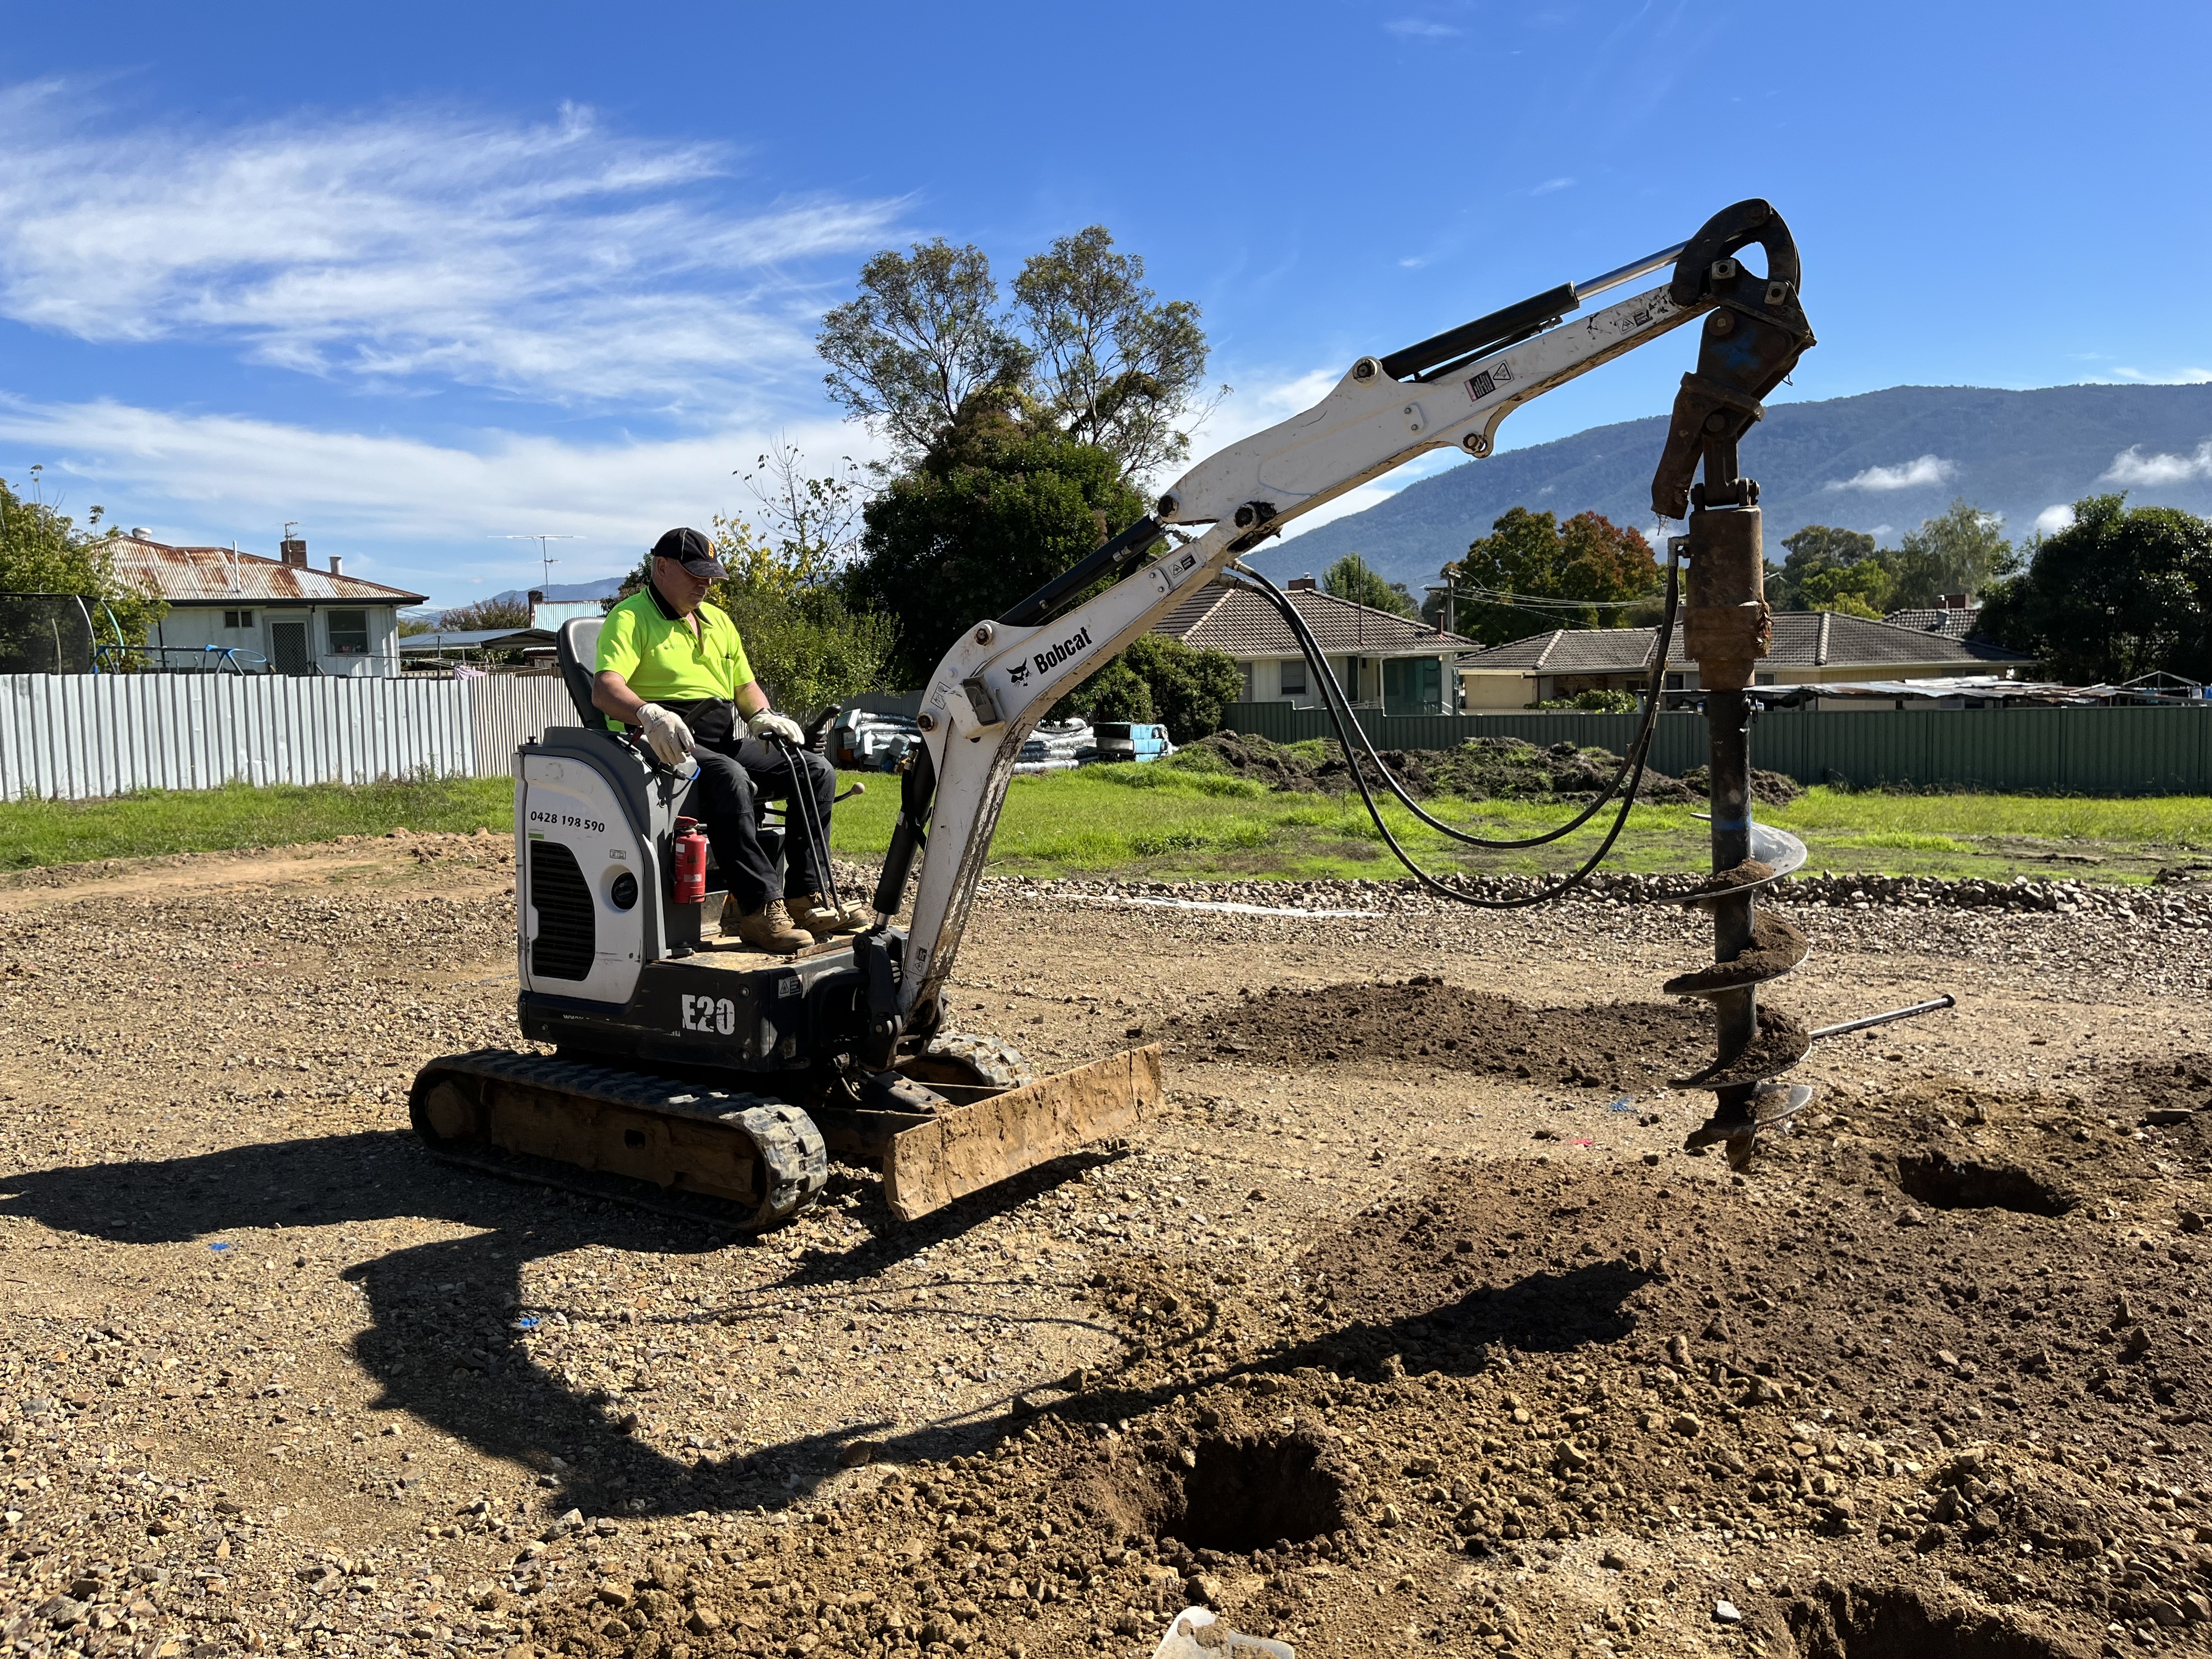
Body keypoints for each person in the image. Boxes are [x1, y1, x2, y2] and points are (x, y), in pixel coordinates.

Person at [592, 526, 868, 952]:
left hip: (717, 737)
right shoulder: (629, 617)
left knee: (815, 770)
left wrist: (762, 715)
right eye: (695, 575)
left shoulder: (718, 621)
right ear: (662, 568)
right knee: (729, 776)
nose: (705, 585)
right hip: (659, 743)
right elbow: (605, 689)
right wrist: (649, 714)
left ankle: (804, 897)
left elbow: (745, 685)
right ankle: (759, 911)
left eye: (709, 576)